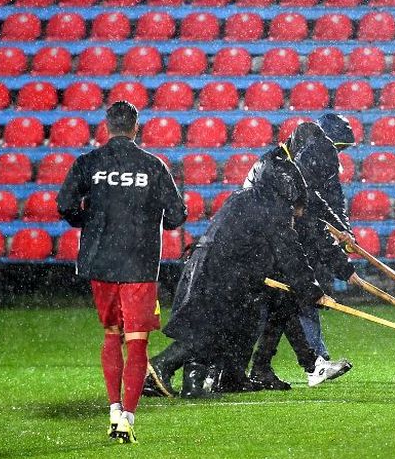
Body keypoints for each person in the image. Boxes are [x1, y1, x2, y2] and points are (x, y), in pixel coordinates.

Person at [144, 127, 350, 399]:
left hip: (223, 261)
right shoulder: (276, 205)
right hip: (223, 265)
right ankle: (161, 366)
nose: (296, 216)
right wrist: (313, 291)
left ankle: (208, 382)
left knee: (227, 323)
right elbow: (290, 252)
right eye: (297, 210)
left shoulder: (263, 192)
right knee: (215, 325)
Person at [56, 101, 187, 444]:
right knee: (137, 340)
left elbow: (64, 204)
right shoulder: (153, 166)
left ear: (107, 126)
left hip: (101, 262)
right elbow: (176, 216)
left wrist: (89, 221)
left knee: (112, 333)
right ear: (135, 128)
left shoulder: (89, 163)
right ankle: (127, 417)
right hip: (140, 264)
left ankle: (113, 408)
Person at [245, 117, 359, 389]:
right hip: (262, 247)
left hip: (272, 244)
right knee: (289, 302)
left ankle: (270, 367)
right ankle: (205, 366)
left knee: (282, 307)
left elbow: (319, 205)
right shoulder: (284, 174)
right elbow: (308, 226)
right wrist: (342, 267)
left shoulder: (296, 167)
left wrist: (342, 232)